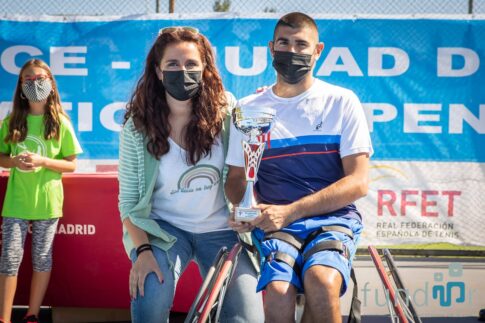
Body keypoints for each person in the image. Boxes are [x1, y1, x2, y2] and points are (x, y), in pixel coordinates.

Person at [225, 12, 373, 323]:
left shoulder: (341, 101)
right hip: (275, 225)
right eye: (284, 43)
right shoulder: (248, 108)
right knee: (278, 292)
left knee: (321, 281)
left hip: (332, 221)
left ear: (318, 51)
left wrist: (291, 211)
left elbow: (359, 182)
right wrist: (245, 209)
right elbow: (237, 178)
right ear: (271, 48)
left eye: (300, 45)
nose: (291, 52)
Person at [118, 27, 263, 323]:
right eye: (172, 64)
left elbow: (247, 167)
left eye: (191, 64)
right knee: (150, 298)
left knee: (247, 318)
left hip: (223, 230)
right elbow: (129, 201)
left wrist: (246, 209)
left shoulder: (228, 111)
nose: (182, 71)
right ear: (158, 72)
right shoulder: (137, 125)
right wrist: (143, 250)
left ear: (205, 69)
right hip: (165, 231)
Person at [0, 59, 82, 323]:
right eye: (29, 80)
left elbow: (71, 164)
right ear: (21, 87)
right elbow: (1, 157)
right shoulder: (12, 121)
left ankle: (32, 315)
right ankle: (4, 317)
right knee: (10, 259)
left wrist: (44, 161)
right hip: (16, 202)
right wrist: (13, 161)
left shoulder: (60, 123)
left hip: (47, 204)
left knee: (42, 259)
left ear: (51, 84)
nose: (35, 84)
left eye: (40, 79)